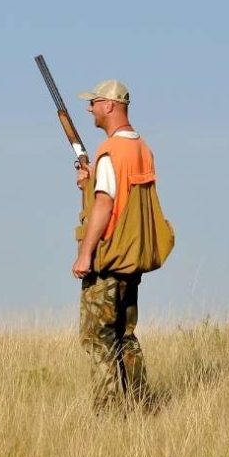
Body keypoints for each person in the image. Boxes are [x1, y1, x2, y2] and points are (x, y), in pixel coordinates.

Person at [72, 79, 155, 412]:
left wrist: (85, 254)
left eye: (93, 102)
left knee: (97, 339)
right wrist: (89, 181)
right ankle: (142, 406)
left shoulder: (110, 151)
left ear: (109, 105)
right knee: (125, 336)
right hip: (131, 258)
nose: (89, 109)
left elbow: (106, 205)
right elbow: (125, 200)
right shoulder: (141, 149)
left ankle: (107, 413)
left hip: (108, 260)